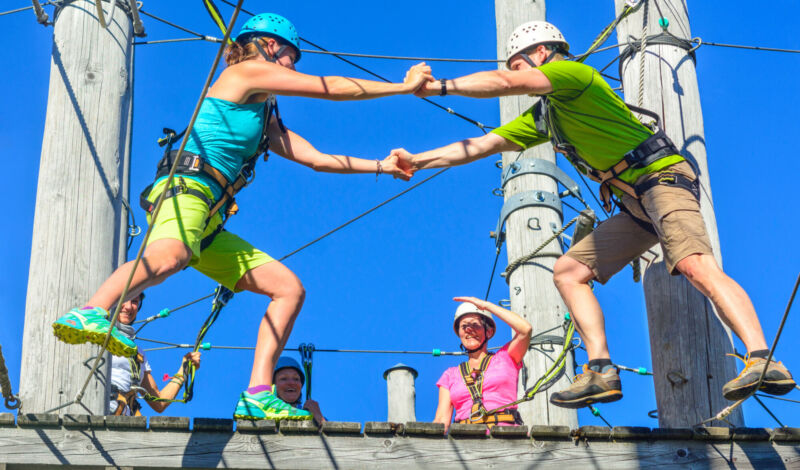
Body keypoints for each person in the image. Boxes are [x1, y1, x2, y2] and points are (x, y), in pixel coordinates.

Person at [392, 21, 795, 408]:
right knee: (568, 271)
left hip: (661, 178)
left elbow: (505, 83)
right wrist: (417, 160)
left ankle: (763, 359)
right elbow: (480, 146)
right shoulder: (547, 116)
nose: (516, 75)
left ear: (541, 53)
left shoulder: (572, 75)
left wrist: (439, 86)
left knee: (694, 264)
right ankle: (601, 369)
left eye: (518, 64)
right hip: (634, 203)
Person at [52, 12, 431, 421]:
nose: (293, 68)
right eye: (291, 58)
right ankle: (91, 310)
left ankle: (256, 391)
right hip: (188, 191)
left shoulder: (263, 111)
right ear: (271, 46)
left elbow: (318, 160)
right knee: (171, 256)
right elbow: (330, 89)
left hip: (210, 220)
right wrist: (402, 87)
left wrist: (380, 166)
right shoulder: (246, 73)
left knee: (288, 289)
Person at [434, 297, 532, 432]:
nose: (468, 329)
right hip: (466, 440)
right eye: (464, 326)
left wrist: (486, 306)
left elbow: (525, 330)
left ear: (489, 332)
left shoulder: (506, 357)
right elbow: (441, 421)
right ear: (460, 334)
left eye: (474, 324)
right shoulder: (450, 375)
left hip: (507, 437)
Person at [108, 293, 202, 416]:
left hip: (121, 423)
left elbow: (159, 402)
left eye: (135, 302)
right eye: (124, 300)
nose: (129, 307)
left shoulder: (137, 354)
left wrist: (184, 368)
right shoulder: (96, 336)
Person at [272, 356, 325, 424]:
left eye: (296, 379)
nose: (291, 383)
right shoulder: (261, 415)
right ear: (273, 385)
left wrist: (318, 416)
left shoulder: (311, 416)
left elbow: (331, 433)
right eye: (283, 378)